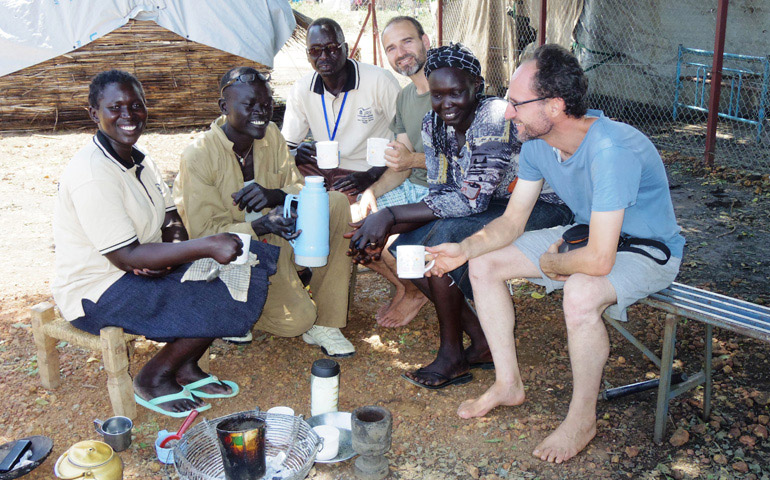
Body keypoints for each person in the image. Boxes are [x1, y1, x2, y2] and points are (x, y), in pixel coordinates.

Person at [428, 44, 685, 463]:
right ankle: (508, 383)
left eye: (516, 103)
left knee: (581, 292)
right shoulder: (537, 143)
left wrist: (551, 263)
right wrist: (462, 248)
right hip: (590, 236)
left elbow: (600, 261)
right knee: (485, 262)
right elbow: (511, 223)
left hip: (648, 251)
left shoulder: (611, 150)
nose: (507, 113)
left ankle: (582, 418)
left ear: (555, 105)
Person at [53, 70, 279, 418]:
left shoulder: (141, 159)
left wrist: (171, 259)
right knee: (215, 292)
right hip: (97, 289)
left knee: (247, 261)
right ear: (93, 113)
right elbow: (125, 255)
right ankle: (153, 376)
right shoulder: (91, 174)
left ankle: (185, 366)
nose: (128, 115)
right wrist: (204, 247)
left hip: (143, 265)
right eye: (115, 107)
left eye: (136, 105)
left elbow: (171, 220)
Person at [347, 44, 572, 389]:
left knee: (439, 241)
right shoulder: (433, 124)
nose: (446, 103)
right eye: (438, 95)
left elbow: (471, 200)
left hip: (539, 204)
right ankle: (480, 339)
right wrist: (376, 229)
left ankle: (452, 354)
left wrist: (388, 215)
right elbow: (441, 192)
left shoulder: (494, 116)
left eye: (456, 93)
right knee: (405, 250)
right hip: (491, 204)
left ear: (477, 87)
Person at [173, 67, 356, 357]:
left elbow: (295, 188)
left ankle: (326, 323)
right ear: (224, 107)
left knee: (333, 202)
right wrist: (261, 225)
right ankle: (236, 310)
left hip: (274, 238)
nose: (262, 112)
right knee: (297, 321)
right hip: (229, 257)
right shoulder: (199, 154)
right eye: (249, 105)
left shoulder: (270, 134)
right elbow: (205, 234)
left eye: (267, 104)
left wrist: (276, 195)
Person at [355, 16, 433, 328]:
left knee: (384, 240)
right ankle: (406, 286)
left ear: (426, 42)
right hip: (413, 185)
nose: (400, 52)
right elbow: (400, 164)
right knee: (346, 221)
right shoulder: (404, 97)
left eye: (407, 42)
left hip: (443, 192)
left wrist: (411, 160)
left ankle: (415, 292)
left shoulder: (450, 89)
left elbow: (463, 162)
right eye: (391, 48)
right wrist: (372, 192)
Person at [281, 17, 401, 204]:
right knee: (283, 192)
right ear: (307, 55)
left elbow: (407, 138)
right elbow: (287, 146)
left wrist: (372, 175)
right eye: (315, 50)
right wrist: (297, 154)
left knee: (333, 207)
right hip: (319, 169)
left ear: (345, 48)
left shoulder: (379, 81)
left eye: (331, 48)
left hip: (363, 171)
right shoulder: (301, 88)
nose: (323, 56)